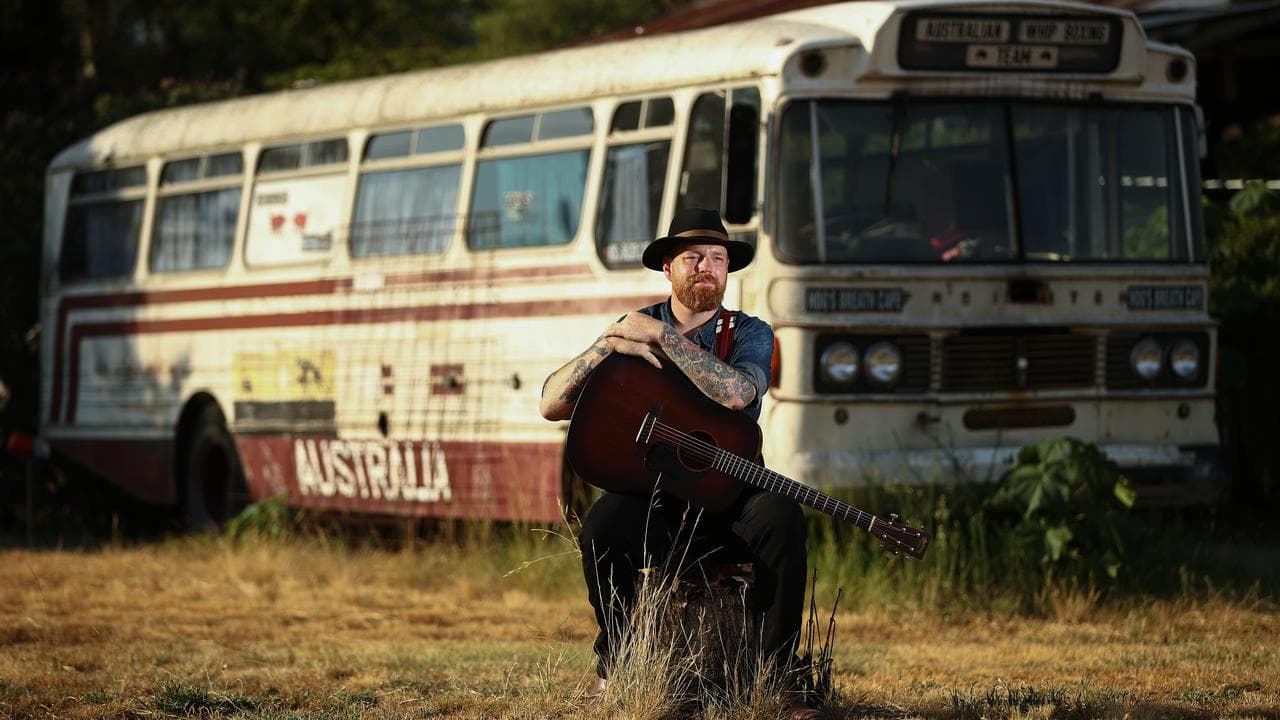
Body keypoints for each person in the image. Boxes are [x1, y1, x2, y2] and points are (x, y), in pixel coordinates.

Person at [539, 208, 819, 719]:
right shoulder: (630, 329)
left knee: (781, 517)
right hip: (657, 501)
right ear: (667, 268)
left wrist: (664, 338)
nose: (707, 267)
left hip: (730, 497)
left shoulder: (749, 331)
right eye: (693, 257)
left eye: (718, 258)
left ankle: (778, 680)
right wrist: (605, 347)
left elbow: (738, 394)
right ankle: (617, 668)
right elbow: (551, 404)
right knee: (603, 525)